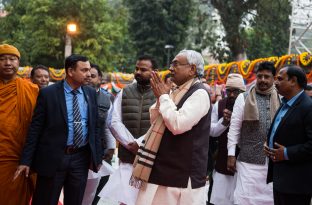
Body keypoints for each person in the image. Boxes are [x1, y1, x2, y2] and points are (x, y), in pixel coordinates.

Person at [15, 54, 102, 205]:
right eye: (84, 70)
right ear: (70, 71)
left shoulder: (90, 93)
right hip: (53, 158)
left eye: (89, 70)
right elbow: (35, 129)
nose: (89, 74)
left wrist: (97, 155)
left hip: (80, 158)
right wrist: (26, 160)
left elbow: (94, 126)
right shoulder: (48, 94)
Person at [133, 50, 211, 205]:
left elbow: (177, 124)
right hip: (165, 167)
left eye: (176, 64)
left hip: (183, 172)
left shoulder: (199, 94)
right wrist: (160, 97)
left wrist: (163, 97)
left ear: (192, 69)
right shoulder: (176, 90)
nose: (170, 68)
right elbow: (155, 120)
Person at [99, 55, 158, 205]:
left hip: (151, 158)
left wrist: (141, 144)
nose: (138, 72)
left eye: (143, 69)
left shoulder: (162, 95)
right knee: (125, 199)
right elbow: (113, 121)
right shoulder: (124, 92)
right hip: (128, 157)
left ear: (154, 72)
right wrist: (131, 144)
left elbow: (160, 124)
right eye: (137, 68)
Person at [227, 61, 280, 205]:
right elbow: (234, 128)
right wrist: (231, 154)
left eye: (267, 77)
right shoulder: (243, 98)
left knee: (270, 200)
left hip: (273, 162)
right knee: (244, 199)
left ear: (274, 78)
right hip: (248, 161)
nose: (263, 80)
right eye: (260, 76)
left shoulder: (281, 98)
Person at [265, 65, 312, 205]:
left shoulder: (308, 107)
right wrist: (269, 143)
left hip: (296, 184)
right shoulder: (285, 103)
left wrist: (286, 153)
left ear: (293, 81)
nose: (275, 82)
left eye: (280, 79)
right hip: (281, 179)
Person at [0, 44, 39, 205]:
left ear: (18, 63)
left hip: (19, 160)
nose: (7, 63)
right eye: (2, 59)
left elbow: (39, 127)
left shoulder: (31, 90)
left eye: (12, 59)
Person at [209, 74, 246, 205]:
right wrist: (224, 122)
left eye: (236, 91)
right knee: (219, 200)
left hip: (244, 163)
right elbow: (212, 131)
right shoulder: (219, 105)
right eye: (229, 90)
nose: (231, 95)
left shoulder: (250, 104)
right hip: (222, 160)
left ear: (243, 92)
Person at [82, 64, 116, 205]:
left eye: (93, 76)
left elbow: (109, 126)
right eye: (87, 75)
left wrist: (111, 147)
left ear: (100, 79)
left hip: (100, 150)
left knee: (97, 188)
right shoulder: (76, 95)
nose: (89, 78)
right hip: (79, 150)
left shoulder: (107, 99)